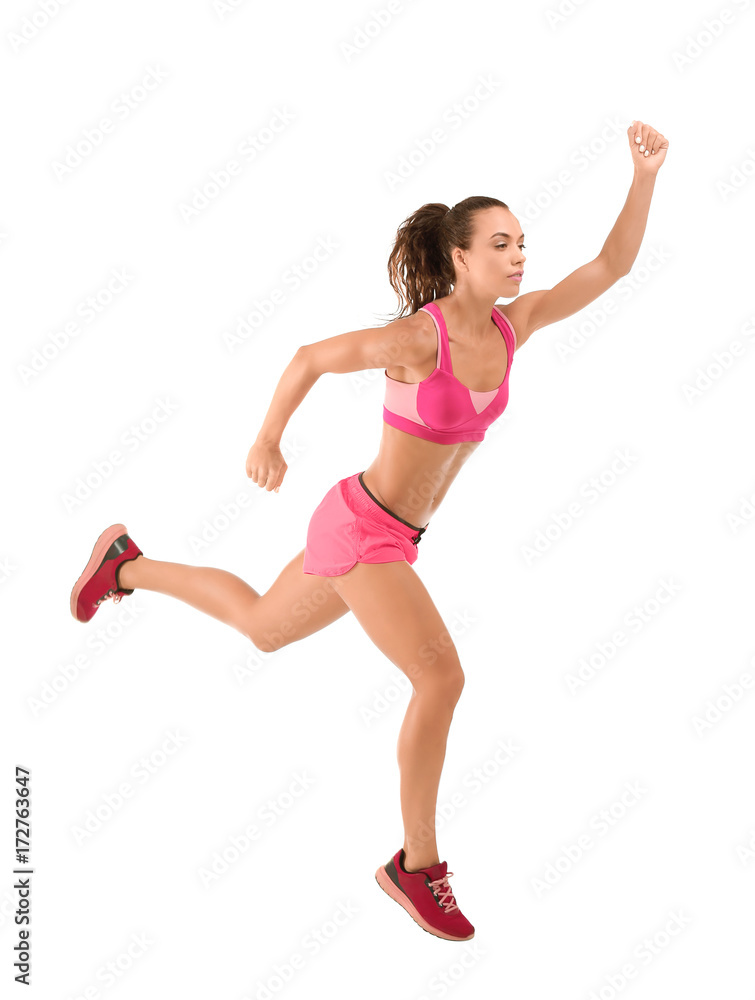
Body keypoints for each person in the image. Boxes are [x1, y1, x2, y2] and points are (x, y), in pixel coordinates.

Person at [70, 120, 668, 942]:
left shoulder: (512, 327)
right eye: (500, 244)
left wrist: (643, 176)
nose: (519, 256)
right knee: (440, 679)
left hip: (380, 531)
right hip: (363, 532)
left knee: (261, 626)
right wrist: (267, 440)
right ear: (459, 257)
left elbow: (611, 266)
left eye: (522, 242)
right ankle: (415, 866)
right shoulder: (417, 339)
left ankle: (124, 564)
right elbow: (311, 356)